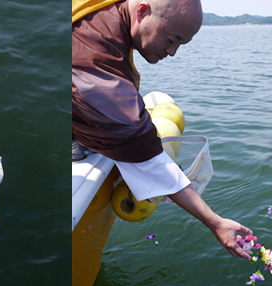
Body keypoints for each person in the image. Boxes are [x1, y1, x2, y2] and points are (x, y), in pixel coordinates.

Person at [72, 0, 254, 259]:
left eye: (181, 44)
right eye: (171, 39)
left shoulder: (105, 9)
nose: (172, 52)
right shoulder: (98, 67)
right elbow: (146, 153)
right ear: (142, 11)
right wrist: (215, 222)